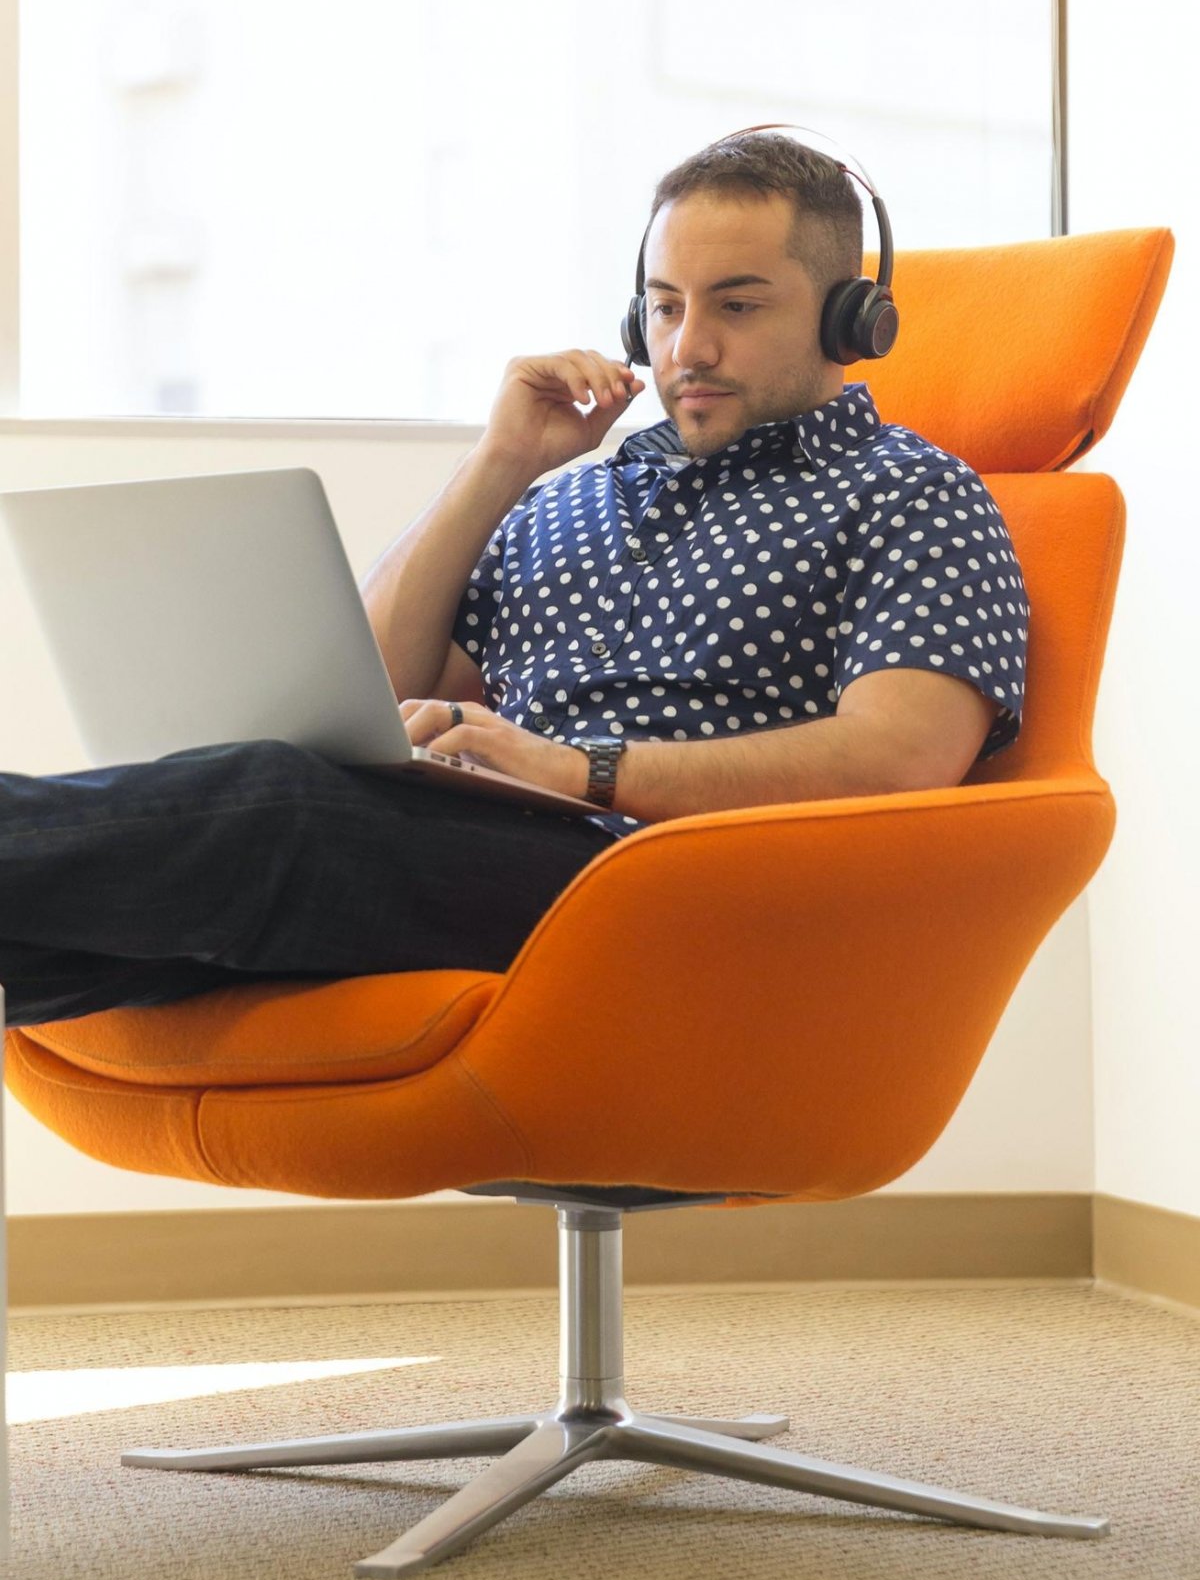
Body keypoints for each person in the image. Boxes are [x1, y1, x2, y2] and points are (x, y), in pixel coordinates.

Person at [0, 132, 1028, 1029]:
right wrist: (498, 467)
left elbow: (902, 757)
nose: (688, 347)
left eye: (738, 305)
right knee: (64, 948)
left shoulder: (911, 493)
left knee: (275, 805)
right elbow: (365, 693)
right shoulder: (563, 501)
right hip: (489, 852)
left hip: (675, 885)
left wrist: (580, 769)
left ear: (852, 320)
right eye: (663, 309)